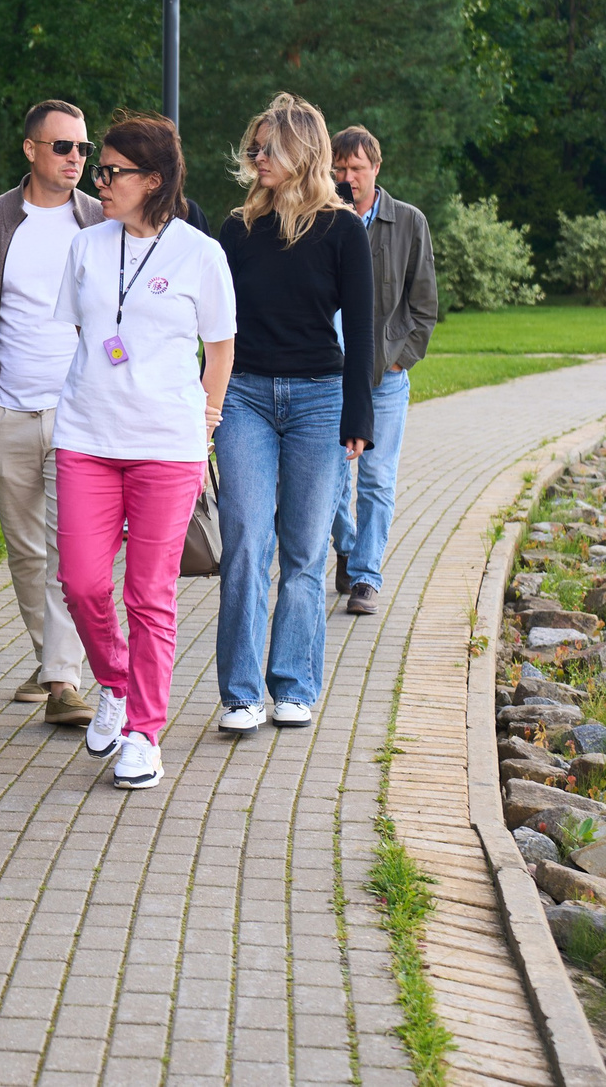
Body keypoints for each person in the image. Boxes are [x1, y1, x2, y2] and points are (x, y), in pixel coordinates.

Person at [50, 114, 235, 791]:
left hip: (166, 446)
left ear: (153, 181)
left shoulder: (199, 254)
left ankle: (144, 732)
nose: (99, 183)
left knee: (149, 593)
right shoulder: (87, 247)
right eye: (99, 171)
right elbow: (84, 325)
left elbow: (219, 348)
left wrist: (205, 423)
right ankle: (115, 683)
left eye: (112, 172)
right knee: (83, 582)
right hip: (87, 437)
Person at [212, 92, 373, 734]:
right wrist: (206, 402)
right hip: (245, 395)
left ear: (301, 151)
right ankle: (242, 694)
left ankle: (294, 685)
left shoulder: (343, 231)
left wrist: (358, 417)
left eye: (267, 148)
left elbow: (360, 331)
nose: (256, 158)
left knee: (304, 551)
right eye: (253, 148)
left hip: (318, 400)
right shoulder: (235, 229)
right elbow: (213, 328)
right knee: (247, 542)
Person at [0, 100, 101, 730]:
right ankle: (51, 663)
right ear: (31, 149)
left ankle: (64, 680)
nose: (77, 160)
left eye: (84, 149)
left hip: (78, 414)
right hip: (3, 413)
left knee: (73, 552)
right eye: (64, 147)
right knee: (29, 553)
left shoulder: (100, 221)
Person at [328, 127, 438, 617]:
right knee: (328, 483)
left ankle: (366, 577)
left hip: (384, 379)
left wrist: (397, 359)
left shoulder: (409, 222)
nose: (348, 177)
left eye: (357, 168)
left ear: (376, 168)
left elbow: (424, 305)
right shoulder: (322, 218)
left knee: (375, 480)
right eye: (340, 168)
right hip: (327, 375)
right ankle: (348, 549)